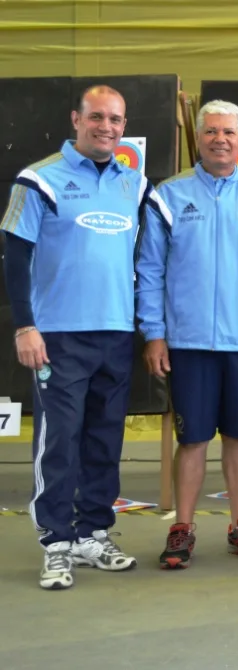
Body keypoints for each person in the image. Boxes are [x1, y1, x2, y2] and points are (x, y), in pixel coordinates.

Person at [1, 85, 159, 589]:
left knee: (104, 441)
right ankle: (55, 543)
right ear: (76, 119)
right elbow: (15, 258)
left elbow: (145, 261)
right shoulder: (38, 179)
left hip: (116, 332)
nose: (107, 127)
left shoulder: (133, 184)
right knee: (59, 441)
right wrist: (25, 325)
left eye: (116, 119)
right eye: (97, 117)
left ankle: (92, 533)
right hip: (58, 337)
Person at [136, 99, 238, 569]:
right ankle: (182, 527)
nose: (220, 139)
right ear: (199, 138)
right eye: (211, 132)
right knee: (193, 439)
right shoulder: (168, 196)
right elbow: (149, 269)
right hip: (186, 344)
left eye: (228, 132)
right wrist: (154, 333)